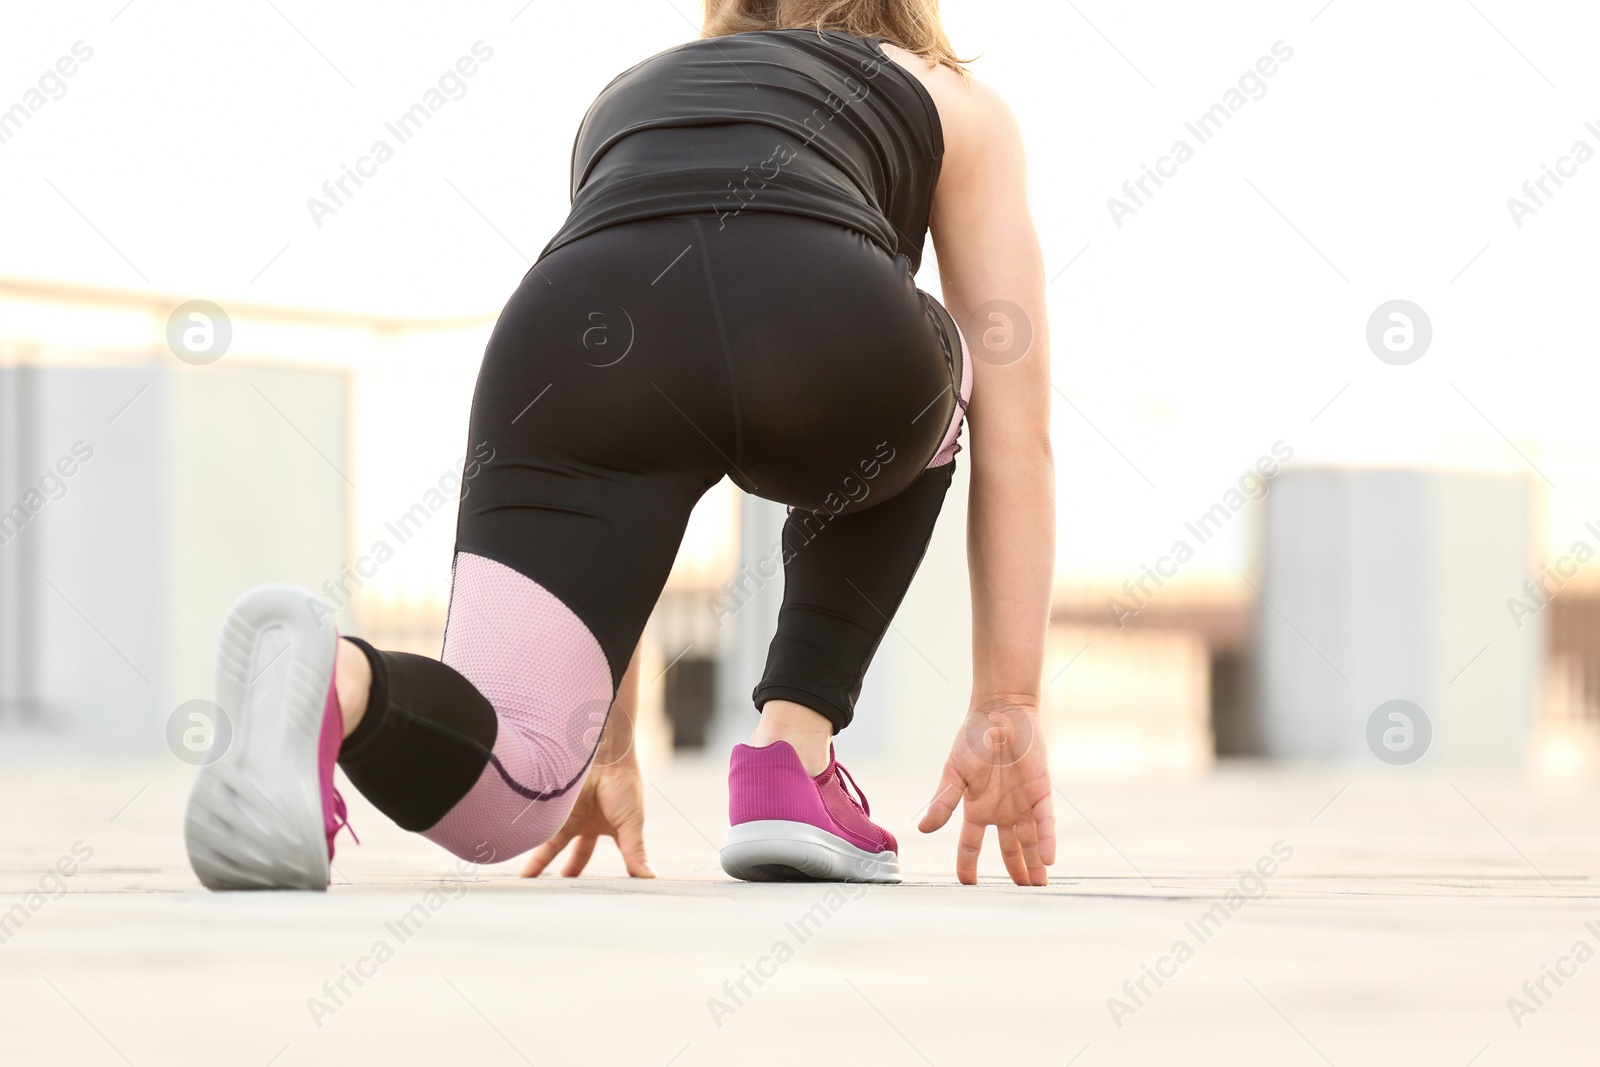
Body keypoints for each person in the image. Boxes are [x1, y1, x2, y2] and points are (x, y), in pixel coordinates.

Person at [183, 0, 1056, 891]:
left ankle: (336, 676)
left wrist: (599, 744)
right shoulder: (954, 99)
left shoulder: (633, 92)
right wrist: (1006, 704)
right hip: (826, 327)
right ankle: (792, 752)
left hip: (568, 337)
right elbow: (1018, 430)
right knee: (957, 380)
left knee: (514, 795)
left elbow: (629, 488)